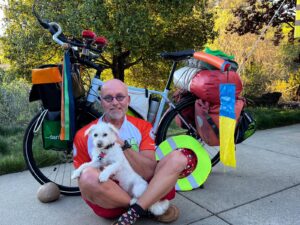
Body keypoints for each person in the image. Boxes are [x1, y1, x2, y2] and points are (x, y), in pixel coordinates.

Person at [73, 79, 196, 225]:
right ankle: (147, 207)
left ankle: (135, 211)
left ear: (128, 100)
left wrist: (122, 145)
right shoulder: (83, 135)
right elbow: (84, 185)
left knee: (179, 158)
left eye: (120, 97)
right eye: (108, 98)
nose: (115, 102)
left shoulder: (142, 126)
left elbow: (149, 172)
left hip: (142, 188)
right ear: (101, 101)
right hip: (112, 199)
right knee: (87, 177)